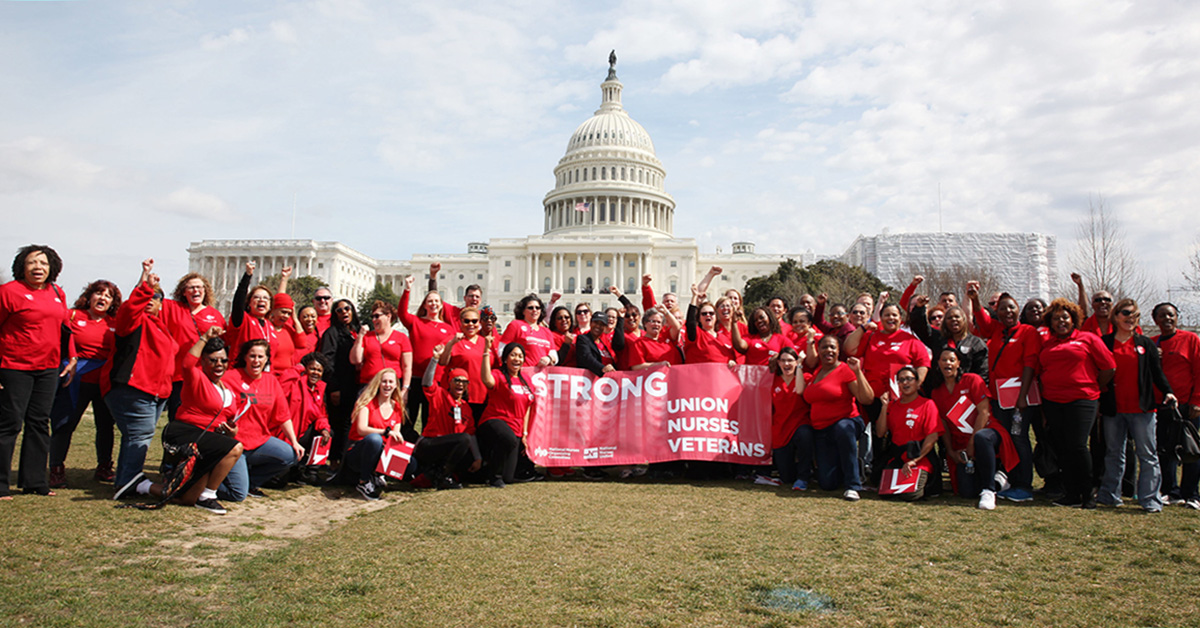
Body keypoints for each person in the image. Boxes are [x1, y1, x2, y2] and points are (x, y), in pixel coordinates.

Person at [117, 328, 245, 513]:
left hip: (211, 442)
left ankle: (141, 485)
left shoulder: (228, 389)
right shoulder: (197, 378)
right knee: (236, 447)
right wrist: (205, 338)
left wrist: (232, 431)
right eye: (213, 360)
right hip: (187, 434)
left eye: (223, 360)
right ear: (203, 361)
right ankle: (209, 495)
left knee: (187, 499)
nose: (219, 364)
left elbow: (229, 417)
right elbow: (186, 364)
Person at [0, 244, 72, 498]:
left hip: (48, 367)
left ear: (52, 267)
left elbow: (64, 327)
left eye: (43, 263)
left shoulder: (56, 292)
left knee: (40, 423)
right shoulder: (8, 292)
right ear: (22, 266)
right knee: (9, 424)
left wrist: (71, 357)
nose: (38, 267)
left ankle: (34, 481)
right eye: (32, 263)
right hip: (14, 366)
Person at [104, 259, 180, 499]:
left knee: (138, 435)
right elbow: (128, 310)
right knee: (140, 435)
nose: (150, 301)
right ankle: (128, 481)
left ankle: (127, 478)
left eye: (155, 298)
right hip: (134, 387)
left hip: (156, 392)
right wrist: (145, 284)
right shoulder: (133, 321)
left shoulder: (161, 326)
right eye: (147, 297)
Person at [1098, 299, 1175, 512]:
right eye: (1125, 313)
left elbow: (1157, 373)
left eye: (1135, 315)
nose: (1130, 318)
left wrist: (1168, 391)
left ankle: (1150, 499)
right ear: (1115, 316)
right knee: (1114, 453)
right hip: (1114, 409)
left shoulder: (1145, 343)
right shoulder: (1105, 342)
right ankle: (1109, 495)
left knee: (1148, 455)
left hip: (1143, 410)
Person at [1038, 298, 1116, 509]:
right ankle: (1070, 493)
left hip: (1082, 400)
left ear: (1073, 319)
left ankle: (1087, 493)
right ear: (1050, 322)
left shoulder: (1088, 339)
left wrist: (1093, 387)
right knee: (1062, 448)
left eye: (1065, 317)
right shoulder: (1047, 344)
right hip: (1053, 401)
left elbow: (1109, 368)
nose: (1061, 322)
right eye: (1056, 318)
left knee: (1078, 446)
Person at [845, 303, 931, 483]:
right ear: (880, 318)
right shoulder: (871, 337)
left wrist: (913, 388)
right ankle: (878, 475)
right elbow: (849, 349)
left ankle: (901, 473)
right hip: (874, 397)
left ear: (901, 319)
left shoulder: (910, 340)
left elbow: (922, 364)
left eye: (894, 315)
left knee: (899, 436)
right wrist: (863, 328)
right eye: (886, 315)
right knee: (879, 437)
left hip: (901, 398)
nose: (890, 318)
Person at [970, 287, 1041, 502]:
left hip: (1020, 396)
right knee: (1006, 438)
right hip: (999, 397)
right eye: (1002, 309)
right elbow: (982, 321)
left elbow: (1030, 364)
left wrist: (1022, 396)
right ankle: (1010, 478)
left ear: (1018, 309)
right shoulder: (997, 331)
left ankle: (1024, 485)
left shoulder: (1028, 332)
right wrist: (975, 299)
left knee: (1019, 438)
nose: (1007, 312)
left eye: (1011, 307)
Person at [49, 279, 121, 488]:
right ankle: (56, 468)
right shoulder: (73, 316)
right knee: (66, 424)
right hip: (76, 379)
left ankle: (105, 467)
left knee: (106, 425)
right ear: (89, 297)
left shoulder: (114, 323)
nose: (102, 298)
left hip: (103, 381)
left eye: (108, 296)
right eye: (99, 293)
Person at [928, 349, 1017, 510]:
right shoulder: (936, 392)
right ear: (938, 364)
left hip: (987, 432)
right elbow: (944, 425)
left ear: (958, 363)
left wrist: (971, 444)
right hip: (960, 442)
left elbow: (984, 412)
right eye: (944, 360)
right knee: (967, 492)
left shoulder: (972, 380)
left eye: (952, 360)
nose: (948, 363)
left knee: (981, 438)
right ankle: (997, 480)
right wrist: (951, 451)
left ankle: (989, 490)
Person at [219, 339, 303, 502]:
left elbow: (283, 415)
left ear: (266, 359)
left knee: (291, 455)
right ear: (245, 357)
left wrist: (294, 441)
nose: (256, 361)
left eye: (260, 356)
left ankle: (250, 481)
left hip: (259, 441)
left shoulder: (271, 380)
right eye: (252, 356)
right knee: (237, 495)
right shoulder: (229, 378)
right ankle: (204, 482)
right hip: (234, 444)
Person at [802, 336, 874, 500]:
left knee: (843, 428)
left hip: (846, 423)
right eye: (825, 347)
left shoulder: (845, 370)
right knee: (827, 484)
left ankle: (853, 485)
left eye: (833, 347)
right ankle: (850, 467)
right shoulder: (816, 373)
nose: (829, 350)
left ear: (838, 350)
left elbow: (867, 399)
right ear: (818, 351)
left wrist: (857, 372)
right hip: (822, 431)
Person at [1151, 303, 1200, 509]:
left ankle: (1192, 493)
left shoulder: (1190, 339)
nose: (1167, 319)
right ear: (1155, 320)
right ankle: (1171, 491)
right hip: (1162, 405)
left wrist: (1197, 401)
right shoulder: (1153, 343)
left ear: (1177, 317)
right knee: (1165, 449)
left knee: (1190, 449)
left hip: (1187, 404)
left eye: (1170, 315)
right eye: (1162, 316)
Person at [163, 272, 227, 420]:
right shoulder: (174, 308)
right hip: (180, 375)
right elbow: (150, 300)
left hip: (206, 375)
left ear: (205, 291)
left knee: (203, 417)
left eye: (199, 287)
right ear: (183, 292)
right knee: (178, 416)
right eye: (191, 288)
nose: (195, 291)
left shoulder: (215, 315)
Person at [418, 346, 482, 489]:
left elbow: (471, 434)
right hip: (431, 443)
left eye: (464, 382)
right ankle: (444, 476)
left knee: (473, 462)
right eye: (456, 380)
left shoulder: (466, 407)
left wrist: (478, 458)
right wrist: (435, 359)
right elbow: (427, 383)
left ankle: (439, 474)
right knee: (463, 438)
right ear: (449, 383)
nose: (460, 384)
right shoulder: (440, 395)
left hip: (450, 448)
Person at [875, 365, 941, 501]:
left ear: (917, 383)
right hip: (898, 456)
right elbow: (880, 433)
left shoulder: (927, 404)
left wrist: (915, 460)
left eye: (909, 379)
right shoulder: (893, 405)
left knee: (910, 495)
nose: (905, 383)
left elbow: (932, 436)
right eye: (901, 380)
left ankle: (924, 482)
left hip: (919, 457)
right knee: (885, 493)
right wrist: (884, 407)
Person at [398, 275, 457, 423]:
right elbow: (402, 313)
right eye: (430, 301)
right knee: (408, 418)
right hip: (414, 377)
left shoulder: (448, 329)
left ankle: (425, 445)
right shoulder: (416, 322)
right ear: (424, 305)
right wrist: (407, 289)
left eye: (436, 301)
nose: (433, 304)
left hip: (434, 380)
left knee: (429, 419)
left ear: (441, 305)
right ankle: (406, 445)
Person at [478, 336, 534, 487]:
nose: (517, 359)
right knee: (506, 438)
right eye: (513, 355)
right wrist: (485, 352)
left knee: (508, 477)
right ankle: (493, 477)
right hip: (495, 420)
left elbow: (528, 407)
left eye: (521, 356)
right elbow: (486, 379)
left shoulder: (526, 381)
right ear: (505, 359)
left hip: (516, 428)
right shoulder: (499, 375)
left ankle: (484, 471)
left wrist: (524, 434)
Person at [344, 368, 406, 500]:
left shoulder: (397, 407)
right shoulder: (367, 402)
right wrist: (385, 432)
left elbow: (396, 433)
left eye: (391, 382)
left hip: (380, 452)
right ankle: (364, 482)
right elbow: (361, 429)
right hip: (358, 451)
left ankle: (378, 475)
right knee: (374, 439)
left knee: (411, 464)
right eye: (384, 382)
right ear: (378, 383)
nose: (387, 385)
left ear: (396, 385)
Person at [319, 299, 360, 463]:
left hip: (355, 384)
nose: (344, 312)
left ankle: (346, 457)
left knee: (350, 423)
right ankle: (336, 459)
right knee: (339, 424)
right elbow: (327, 361)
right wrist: (333, 387)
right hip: (340, 385)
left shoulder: (356, 331)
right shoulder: (332, 333)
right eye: (339, 310)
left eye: (347, 308)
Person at [438, 307, 497, 420]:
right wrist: (451, 344)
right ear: (461, 322)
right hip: (461, 396)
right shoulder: (453, 340)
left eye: (474, 321)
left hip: (483, 397)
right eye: (467, 321)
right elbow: (442, 362)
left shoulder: (485, 342)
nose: (471, 324)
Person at [910, 297, 987, 381]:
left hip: (966, 389)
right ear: (945, 322)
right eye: (949, 318)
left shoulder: (976, 343)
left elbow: (982, 373)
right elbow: (919, 327)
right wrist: (919, 308)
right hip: (941, 389)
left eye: (957, 317)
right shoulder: (938, 338)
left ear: (964, 320)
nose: (953, 319)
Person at [286, 352, 332, 485]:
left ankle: (311, 473)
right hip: (288, 434)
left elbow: (321, 414)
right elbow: (284, 381)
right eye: (312, 368)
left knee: (326, 433)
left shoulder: (321, 389)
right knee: (279, 481)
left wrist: (324, 429)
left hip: (304, 432)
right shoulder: (294, 384)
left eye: (319, 370)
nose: (315, 373)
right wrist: (299, 367)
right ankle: (294, 468)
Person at [771, 347, 813, 490]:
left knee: (805, 435)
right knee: (786, 478)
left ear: (796, 362)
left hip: (800, 425)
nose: (786, 364)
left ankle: (804, 476)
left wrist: (800, 367)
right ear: (778, 363)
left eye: (790, 360)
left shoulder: (804, 377)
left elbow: (801, 390)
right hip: (780, 429)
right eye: (783, 361)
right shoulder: (772, 381)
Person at [350, 300, 413, 395]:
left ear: (388, 316)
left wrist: (405, 389)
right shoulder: (367, 337)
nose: (374, 320)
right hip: (369, 384)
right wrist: (360, 336)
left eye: (377, 316)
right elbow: (356, 360)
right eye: (372, 317)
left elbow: (407, 366)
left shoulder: (401, 338)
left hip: (391, 386)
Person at [224, 261, 276, 363]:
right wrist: (247, 276)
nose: (261, 300)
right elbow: (238, 303)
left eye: (266, 298)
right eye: (256, 297)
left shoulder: (269, 325)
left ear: (270, 305)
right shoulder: (243, 320)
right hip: (240, 372)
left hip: (264, 374)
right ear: (249, 303)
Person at [684, 285, 737, 369]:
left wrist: (732, 362)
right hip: (699, 378)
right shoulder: (697, 335)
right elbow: (690, 322)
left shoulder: (725, 338)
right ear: (699, 319)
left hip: (721, 378)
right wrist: (694, 297)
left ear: (716, 317)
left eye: (711, 313)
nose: (708, 315)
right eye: (704, 314)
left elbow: (733, 358)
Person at [499, 294, 558, 367]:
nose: (534, 310)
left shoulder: (546, 331)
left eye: (537, 308)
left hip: (542, 375)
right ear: (523, 311)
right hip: (521, 373)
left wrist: (549, 359)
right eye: (530, 308)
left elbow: (554, 355)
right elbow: (501, 351)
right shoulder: (515, 325)